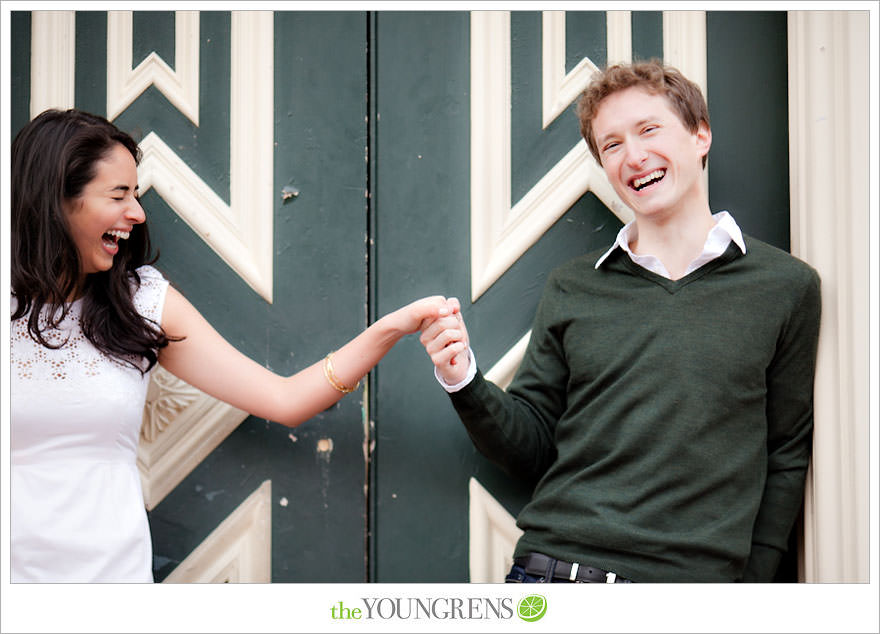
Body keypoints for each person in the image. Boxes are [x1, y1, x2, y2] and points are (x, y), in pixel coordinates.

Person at [10, 108, 457, 583]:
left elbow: (285, 400)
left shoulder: (140, 301)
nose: (138, 213)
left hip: (111, 585)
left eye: (135, 194)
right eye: (118, 194)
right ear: (54, 199)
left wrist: (388, 329)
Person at [420, 60, 821, 583]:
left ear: (701, 136)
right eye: (611, 145)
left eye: (649, 130)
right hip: (555, 577)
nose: (633, 156)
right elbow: (530, 448)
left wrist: (749, 589)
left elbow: (786, 453)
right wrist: (463, 379)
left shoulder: (785, 286)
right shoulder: (573, 286)